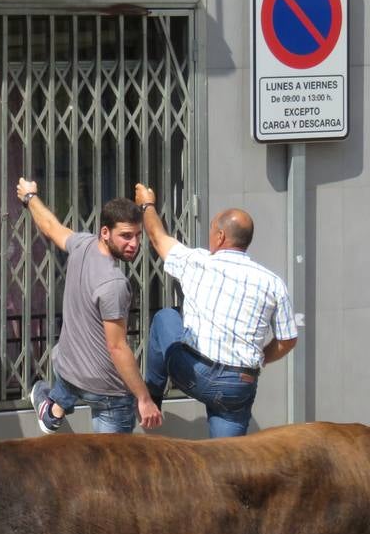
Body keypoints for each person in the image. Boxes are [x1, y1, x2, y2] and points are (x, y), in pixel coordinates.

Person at [136, 185, 297, 437]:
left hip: (194, 373)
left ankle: (153, 396)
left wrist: (147, 205)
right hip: (239, 385)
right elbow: (288, 340)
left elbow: (157, 237)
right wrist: (261, 358)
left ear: (221, 236)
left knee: (166, 317)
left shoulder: (199, 263)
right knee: (226, 457)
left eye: (211, 230)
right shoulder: (273, 283)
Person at [20, 178, 163, 435]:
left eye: (138, 236)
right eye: (126, 236)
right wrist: (143, 398)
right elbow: (117, 347)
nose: (134, 244)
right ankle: (55, 407)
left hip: (69, 369)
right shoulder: (114, 283)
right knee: (111, 468)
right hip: (108, 393)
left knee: (67, 368)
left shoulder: (82, 245)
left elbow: (51, 226)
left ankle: (53, 411)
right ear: (105, 232)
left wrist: (30, 197)